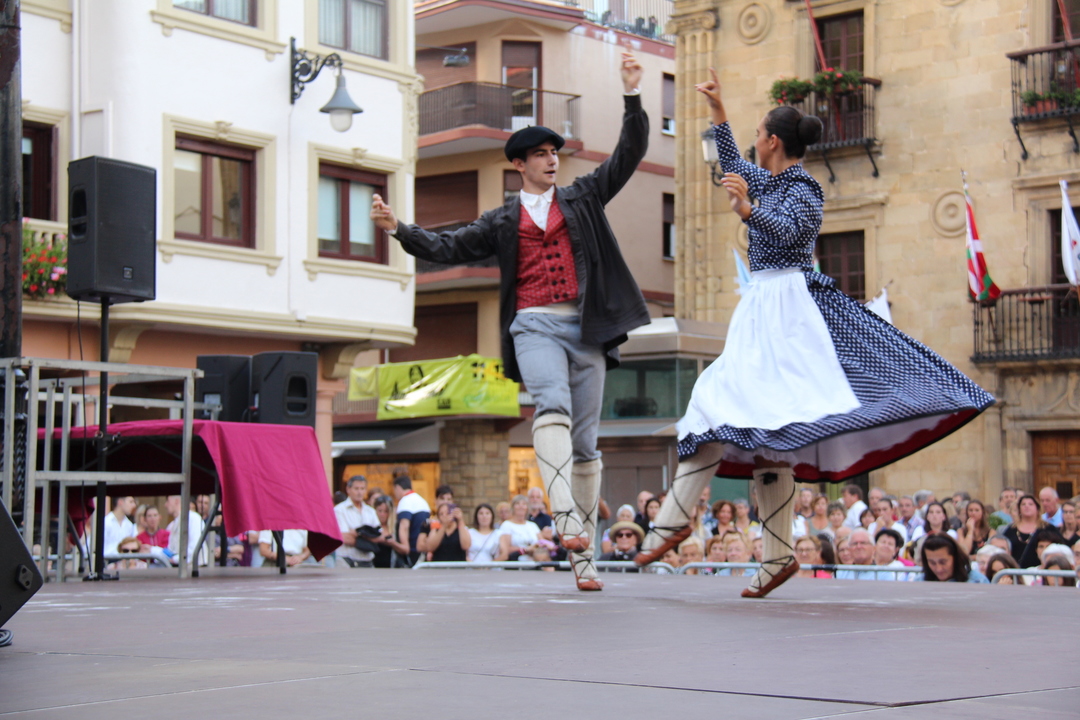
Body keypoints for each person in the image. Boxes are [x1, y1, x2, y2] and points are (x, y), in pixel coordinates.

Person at [637, 58, 994, 600]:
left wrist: (748, 211)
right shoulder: (772, 178)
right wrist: (719, 112)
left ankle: (676, 523)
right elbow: (732, 167)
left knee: (721, 405)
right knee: (757, 426)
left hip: (789, 310)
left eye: (758, 132)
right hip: (766, 309)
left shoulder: (803, 187)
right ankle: (773, 553)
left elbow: (793, 233)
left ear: (773, 142)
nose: (753, 142)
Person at [374, 50, 649, 592]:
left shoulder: (583, 197)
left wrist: (633, 96)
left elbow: (628, 155)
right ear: (520, 165)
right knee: (551, 405)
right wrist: (400, 228)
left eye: (554, 153)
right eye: (541, 154)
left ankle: (583, 558)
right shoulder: (501, 220)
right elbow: (448, 245)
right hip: (534, 324)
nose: (551, 160)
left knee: (586, 445)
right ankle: (565, 519)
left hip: (587, 328)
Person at [334, 475, 380, 568]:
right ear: (348, 489)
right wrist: (367, 537)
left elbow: (378, 537)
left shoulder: (370, 511)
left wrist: (357, 534)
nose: (359, 492)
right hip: (346, 560)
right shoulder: (339, 510)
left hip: (367, 561)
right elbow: (344, 537)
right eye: (356, 488)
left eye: (362, 489)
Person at [392, 476, 431, 567]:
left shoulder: (405, 501)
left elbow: (404, 526)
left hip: (412, 549)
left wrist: (405, 547)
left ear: (398, 487)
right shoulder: (422, 501)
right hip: (423, 549)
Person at [920, 532, 988, 583]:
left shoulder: (978, 581)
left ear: (955, 558)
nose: (939, 569)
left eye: (943, 562)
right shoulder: (919, 582)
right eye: (932, 563)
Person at [496, 495, 542, 561]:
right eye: (517, 504)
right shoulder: (507, 525)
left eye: (524, 504)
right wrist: (526, 549)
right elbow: (505, 549)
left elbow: (542, 542)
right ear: (513, 507)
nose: (521, 506)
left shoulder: (533, 525)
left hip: (534, 561)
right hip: (516, 562)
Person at [1003, 494, 1044, 564]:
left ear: (1037, 508)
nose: (1026, 506)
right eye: (1023, 504)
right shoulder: (1011, 529)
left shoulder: (1046, 528)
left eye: (1030, 504)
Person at [371, 496, 408, 568]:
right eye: (380, 511)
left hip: (392, 566)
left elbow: (406, 549)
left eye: (386, 511)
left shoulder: (397, 527)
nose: (382, 514)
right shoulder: (371, 526)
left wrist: (393, 543)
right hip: (373, 566)